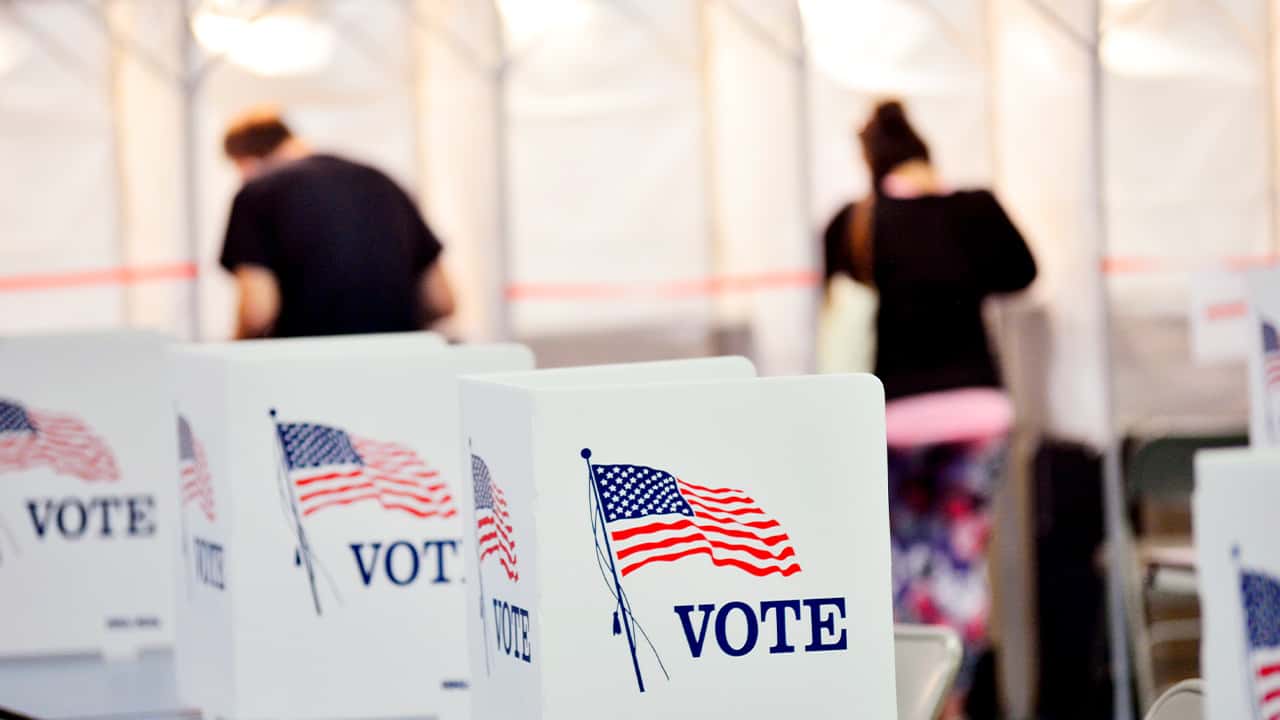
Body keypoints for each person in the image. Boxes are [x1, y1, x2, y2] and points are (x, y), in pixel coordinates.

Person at [822, 100, 1037, 717]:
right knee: (960, 563)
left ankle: (912, 698)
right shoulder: (975, 210)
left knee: (900, 564)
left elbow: (837, 300)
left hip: (896, 423)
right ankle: (956, 700)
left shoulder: (855, 222)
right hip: (976, 416)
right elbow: (1022, 272)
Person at [218, 109, 455, 339]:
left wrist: (234, 349)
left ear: (246, 163)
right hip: (401, 359)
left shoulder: (256, 193)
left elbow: (257, 313)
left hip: (308, 359)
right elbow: (442, 301)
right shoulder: (386, 183)